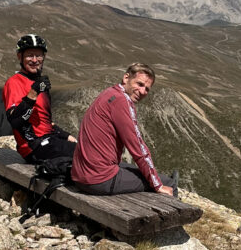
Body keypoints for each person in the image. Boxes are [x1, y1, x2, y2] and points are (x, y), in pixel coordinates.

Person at [71, 63, 176, 196]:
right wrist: (158, 185)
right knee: (168, 183)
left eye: (147, 89)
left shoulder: (110, 92)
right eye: (140, 84)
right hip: (99, 179)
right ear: (126, 78)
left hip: (80, 174)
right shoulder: (122, 101)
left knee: (133, 169)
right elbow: (138, 148)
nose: (143, 92)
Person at [2, 33, 76, 162]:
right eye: (30, 55)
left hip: (49, 140)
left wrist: (64, 135)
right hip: (34, 147)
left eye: (39, 55)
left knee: (90, 149)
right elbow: (15, 121)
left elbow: (43, 120)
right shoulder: (14, 83)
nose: (35, 60)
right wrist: (33, 92)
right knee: (87, 156)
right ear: (20, 56)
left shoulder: (40, 82)